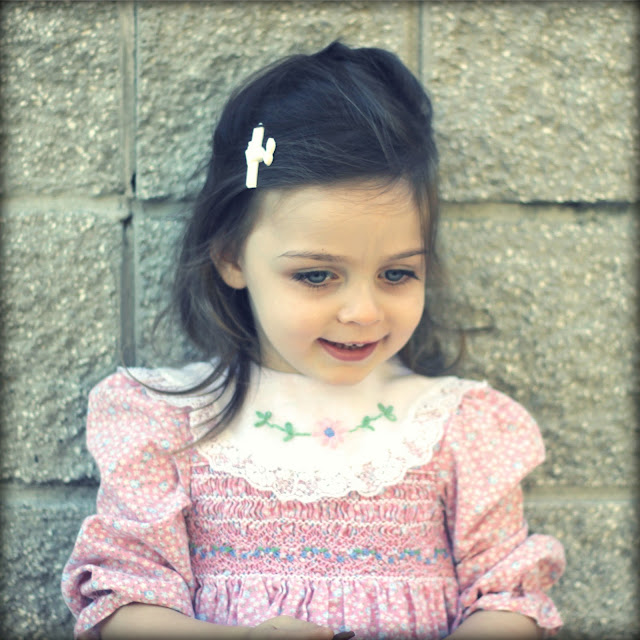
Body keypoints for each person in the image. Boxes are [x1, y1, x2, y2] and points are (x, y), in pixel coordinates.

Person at [61, 41, 565, 640]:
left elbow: (508, 599)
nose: (363, 311)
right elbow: (123, 605)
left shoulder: (458, 428)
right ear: (231, 256)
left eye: (397, 273)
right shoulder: (168, 425)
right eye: (317, 275)